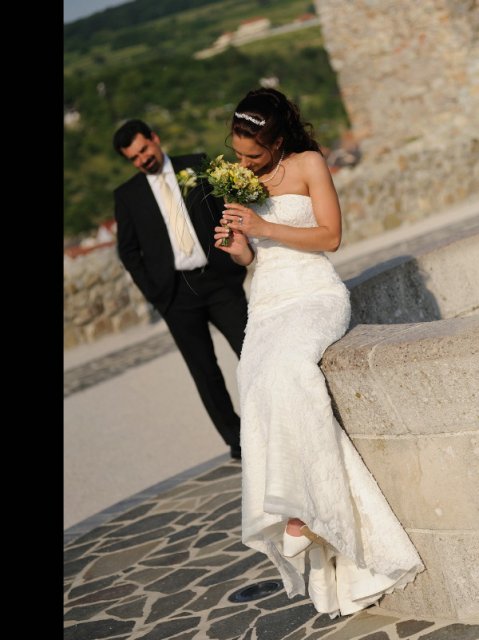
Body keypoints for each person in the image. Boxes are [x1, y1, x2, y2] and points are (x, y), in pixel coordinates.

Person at [214, 89, 424, 616]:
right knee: (253, 383)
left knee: (290, 371)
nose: (244, 164)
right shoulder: (240, 180)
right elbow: (254, 257)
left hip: (312, 295)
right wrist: (240, 249)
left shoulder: (309, 163)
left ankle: (299, 509)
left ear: (277, 141)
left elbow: (330, 237)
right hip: (266, 301)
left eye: (253, 155)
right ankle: (301, 501)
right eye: (238, 154)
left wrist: (263, 226)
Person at [112, 119, 248, 460]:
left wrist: (232, 262)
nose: (142, 159)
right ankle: (236, 439)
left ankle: (273, 420)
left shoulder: (195, 165)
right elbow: (128, 252)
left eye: (144, 150)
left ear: (155, 138)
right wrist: (157, 294)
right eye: (134, 158)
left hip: (219, 281)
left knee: (252, 350)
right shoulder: (127, 196)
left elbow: (222, 211)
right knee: (205, 372)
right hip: (175, 295)